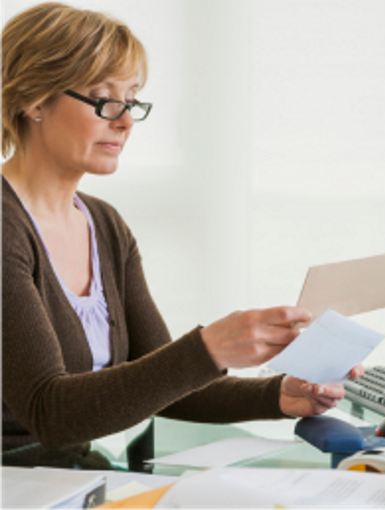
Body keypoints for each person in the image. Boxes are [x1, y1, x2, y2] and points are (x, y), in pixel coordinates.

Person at [0, 2, 363, 468]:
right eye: (105, 98)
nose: (126, 119)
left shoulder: (105, 226)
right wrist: (210, 348)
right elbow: (50, 413)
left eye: (131, 99)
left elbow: (165, 390)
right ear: (34, 98)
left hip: (63, 481)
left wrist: (277, 396)